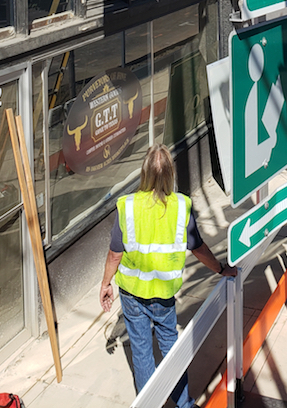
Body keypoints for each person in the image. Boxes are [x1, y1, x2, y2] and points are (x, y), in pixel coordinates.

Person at [99, 144, 237, 408]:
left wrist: (105, 284)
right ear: (170, 175)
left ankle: (150, 403)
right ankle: (184, 403)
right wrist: (221, 269)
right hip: (163, 296)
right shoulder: (181, 207)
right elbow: (199, 249)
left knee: (141, 352)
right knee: (172, 349)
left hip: (132, 295)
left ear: (144, 174)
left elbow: (114, 255)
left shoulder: (127, 206)